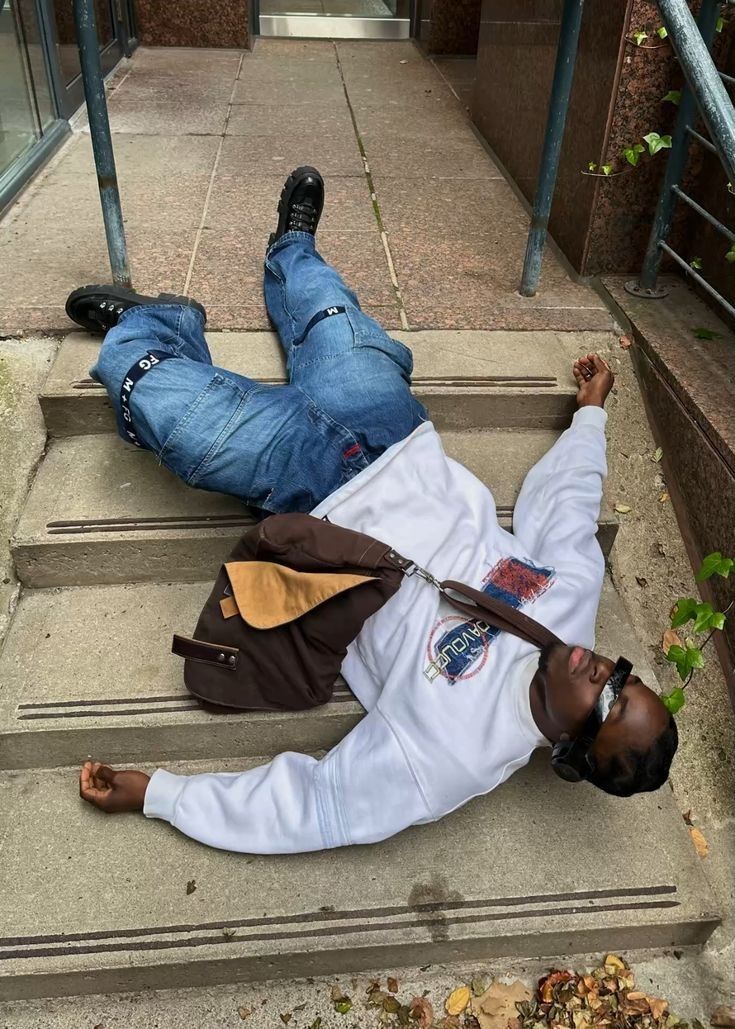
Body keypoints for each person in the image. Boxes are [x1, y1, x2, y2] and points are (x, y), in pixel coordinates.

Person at [68, 167, 678, 855]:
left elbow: (316, 805)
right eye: (623, 675)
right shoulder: (570, 599)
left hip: (309, 492)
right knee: (329, 312)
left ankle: (159, 324)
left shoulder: (449, 758)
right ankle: (291, 248)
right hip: (394, 435)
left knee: (156, 402)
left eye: (609, 702)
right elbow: (567, 505)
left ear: (569, 752)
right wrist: (589, 418)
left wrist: (159, 794)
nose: (604, 671)